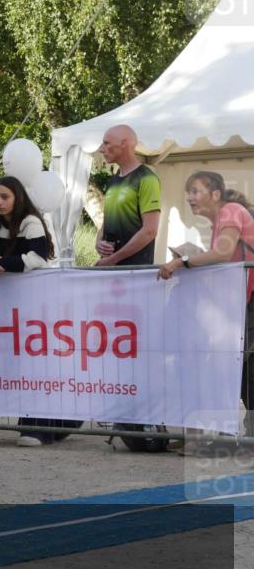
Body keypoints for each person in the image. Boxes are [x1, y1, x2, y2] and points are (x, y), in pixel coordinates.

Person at [158, 171, 254, 433]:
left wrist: (182, 262)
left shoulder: (230, 211)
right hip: (241, 302)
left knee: (243, 366)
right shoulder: (222, 219)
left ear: (215, 194)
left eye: (195, 191)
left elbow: (222, 253)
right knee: (240, 367)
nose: (189, 198)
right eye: (187, 192)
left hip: (249, 301)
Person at [0, 176, 59, 447]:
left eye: (5, 197)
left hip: (32, 306)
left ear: (17, 197)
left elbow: (37, 259)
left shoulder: (31, 223)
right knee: (1, 364)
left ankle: (35, 429)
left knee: (33, 365)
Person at [96, 125, 162, 267]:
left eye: (107, 143)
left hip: (134, 270)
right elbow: (108, 220)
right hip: (111, 268)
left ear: (123, 144)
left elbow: (150, 231)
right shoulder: (113, 180)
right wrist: (98, 241)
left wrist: (113, 260)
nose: (101, 149)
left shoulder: (147, 178)